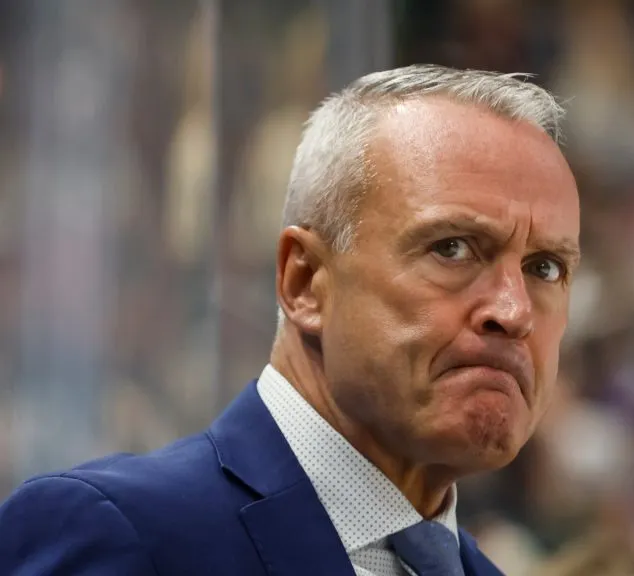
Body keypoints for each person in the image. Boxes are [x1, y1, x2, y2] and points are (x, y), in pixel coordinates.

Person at [0, 64, 581, 576]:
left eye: (545, 267)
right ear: (304, 282)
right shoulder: (120, 534)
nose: (513, 310)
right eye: (453, 248)